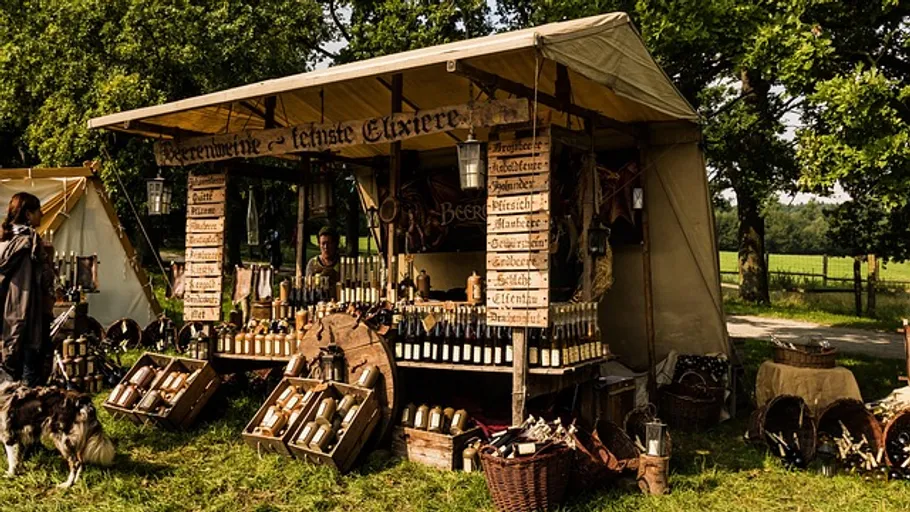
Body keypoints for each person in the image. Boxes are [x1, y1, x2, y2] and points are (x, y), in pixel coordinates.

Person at [0, 192, 55, 386]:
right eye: (38, 210)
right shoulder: (30, 243)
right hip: (29, 315)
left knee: (10, 381)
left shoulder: (4, 242)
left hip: (8, 316)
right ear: (28, 215)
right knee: (30, 381)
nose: (42, 213)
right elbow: (39, 281)